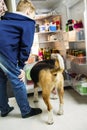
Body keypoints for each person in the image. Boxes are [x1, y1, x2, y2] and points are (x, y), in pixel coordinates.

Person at [0, 0, 42, 118]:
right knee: (18, 79)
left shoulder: (8, 19)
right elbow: (25, 47)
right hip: (4, 52)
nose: (33, 18)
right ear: (28, 12)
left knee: (1, 80)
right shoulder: (28, 22)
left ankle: (4, 109)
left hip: (2, 50)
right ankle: (26, 110)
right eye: (33, 15)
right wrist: (20, 67)